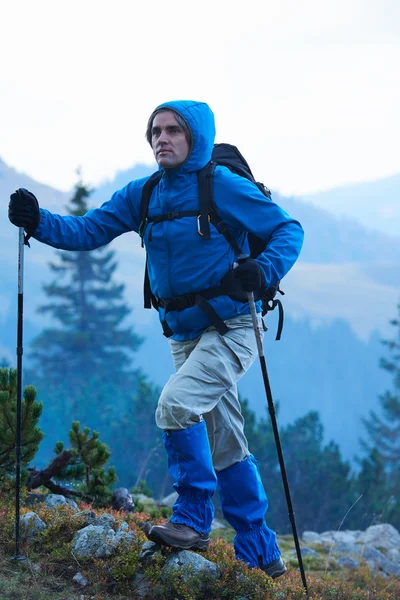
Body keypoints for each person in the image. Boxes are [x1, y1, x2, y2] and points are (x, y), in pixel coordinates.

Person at [8, 100, 304, 578]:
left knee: (174, 406)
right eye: (155, 132)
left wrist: (262, 269)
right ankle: (260, 552)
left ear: (196, 140)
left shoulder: (221, 186)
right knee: (226, 441)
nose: (161, 139)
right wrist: (38, 222)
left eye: (172, 131)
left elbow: (288, 229)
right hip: (184, 335)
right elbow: (88, 230)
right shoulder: (143, 194)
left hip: (233, 328)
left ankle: (191, 519)